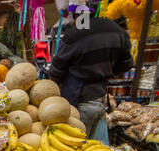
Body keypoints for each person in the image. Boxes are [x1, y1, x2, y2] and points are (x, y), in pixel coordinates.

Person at [49, 3, 133, 139]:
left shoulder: (75, 35)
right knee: (90, 145)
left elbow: (57, 69)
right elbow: (126, 64)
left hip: (79, 99)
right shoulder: (116, 31)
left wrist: (51, 91)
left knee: (75, 144)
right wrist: (105, 71)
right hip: (100, 97)